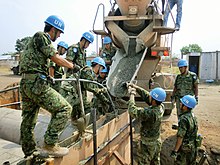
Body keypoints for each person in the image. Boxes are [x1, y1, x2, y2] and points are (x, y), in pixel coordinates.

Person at [19, 15, 79, 158]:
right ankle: (50, 144)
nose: (58, 36)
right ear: (52, 29)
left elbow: (36, 64)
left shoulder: (35, 43)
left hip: (27, 83)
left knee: (28, 119)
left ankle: (30, 152)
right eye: (58, 33)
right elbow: (55, 58)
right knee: (65, 108)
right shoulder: (41, 36)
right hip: (35, 84)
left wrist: (48, 77)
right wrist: (73, 66)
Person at [60, 57, 110, 130]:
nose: (101, 71)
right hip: (69, 89)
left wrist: (106, 100)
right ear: (98, 66)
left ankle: (81, 124)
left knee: (84, 106)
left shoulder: (92, 75)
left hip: (75, 90)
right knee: (66, 109)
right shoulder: (88, 71)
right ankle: (60, 130)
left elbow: (95, 89)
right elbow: (89, 87)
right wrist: (102, 90)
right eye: (101, 68)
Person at [127, 84, 166, 165]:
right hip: (156, 141)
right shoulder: (161, 106)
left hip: (147, 144)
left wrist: (132, 95)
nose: (149, 97)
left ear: (154, 101)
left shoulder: (150, 112)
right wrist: (136, 87)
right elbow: (148, 97)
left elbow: (132, 111)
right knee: (155, 161)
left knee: (143, 162)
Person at [170, 95, 198, 165]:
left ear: (185, 106)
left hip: (185, 148)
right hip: (193, 146)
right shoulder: (193, 115)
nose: (180, 103)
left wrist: (175, 151)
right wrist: (178, 127)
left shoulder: (183, 118)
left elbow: (180, 137)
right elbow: (191, 128)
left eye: (182, 103)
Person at [171, 59, 199, 127]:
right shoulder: (178, 77)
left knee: (188, 114)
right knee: (179, 113)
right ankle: (181, 127)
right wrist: (172, 96)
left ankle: (189, 128)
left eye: (181, 67)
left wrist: (196, 97)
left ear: (186, 67)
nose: (180, 69)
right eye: (179, 67)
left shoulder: (192, 76)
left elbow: (196, 87)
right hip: (179, 99)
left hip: (188, 100)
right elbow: (175, 87)